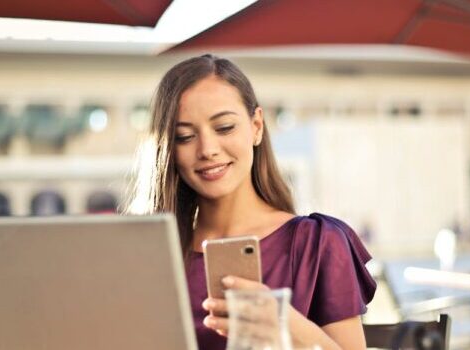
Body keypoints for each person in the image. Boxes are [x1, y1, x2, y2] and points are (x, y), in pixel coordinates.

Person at [127, 54, 376, 350]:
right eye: (185, 136)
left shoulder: (317, 242)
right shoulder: (150, 256)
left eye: (224, 128)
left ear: (256, 126)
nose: (207, 149)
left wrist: (285, 327)